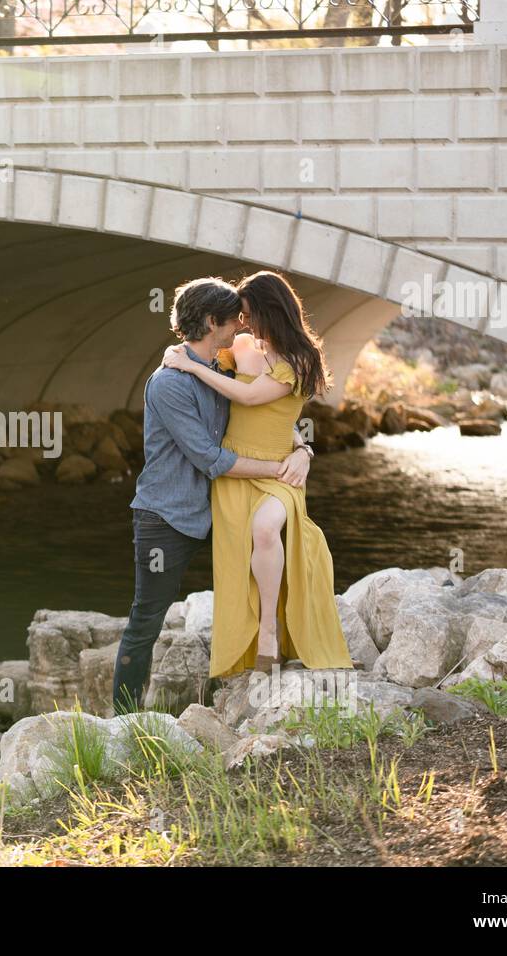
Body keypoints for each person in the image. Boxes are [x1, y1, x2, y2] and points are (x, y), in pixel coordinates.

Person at [112, 276, 314, 714]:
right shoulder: (169, 384)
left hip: (224, 507)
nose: (243, 325)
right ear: (211, 322)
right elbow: (210, 458)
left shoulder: (223, 367)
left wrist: (302, 448)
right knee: (147, 618)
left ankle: (277, 651)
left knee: (268, 557)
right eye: (235, 319)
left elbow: (265, 415)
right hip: (167, 517)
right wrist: (279, 470)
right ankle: (125, 723)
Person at [161, 270, 352, 678]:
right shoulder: (243, 346)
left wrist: (303, 450)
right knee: (239, 556)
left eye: (248, 315)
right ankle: (252, 638)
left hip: (279, 471)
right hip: (235, 469)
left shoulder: (300, 360)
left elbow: (250, 397)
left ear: (271, 312)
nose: (242, 325)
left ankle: (269, 631)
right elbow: (202, 351)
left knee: (266, 529)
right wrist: (177, 358)